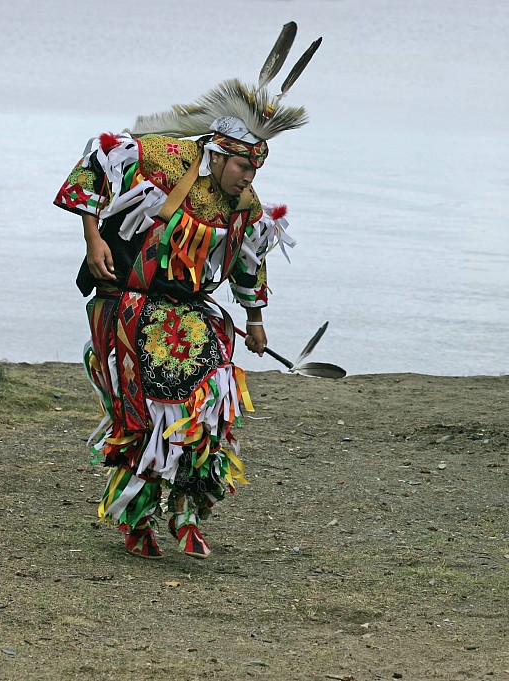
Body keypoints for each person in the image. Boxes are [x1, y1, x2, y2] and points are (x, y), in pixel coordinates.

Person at [53, 35, 318, 559]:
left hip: (190, 309)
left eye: (255, 171)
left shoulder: (243, 201)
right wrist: (92, 237)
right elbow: (97, 162)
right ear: (218, 153)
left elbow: (249, 256)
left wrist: (255, 319)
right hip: (129, 301)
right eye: (243, 167)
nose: (249, 178)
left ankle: (187, 510)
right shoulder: (164, 157)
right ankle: (136, 517)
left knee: (212, 402)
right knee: (149, 412)